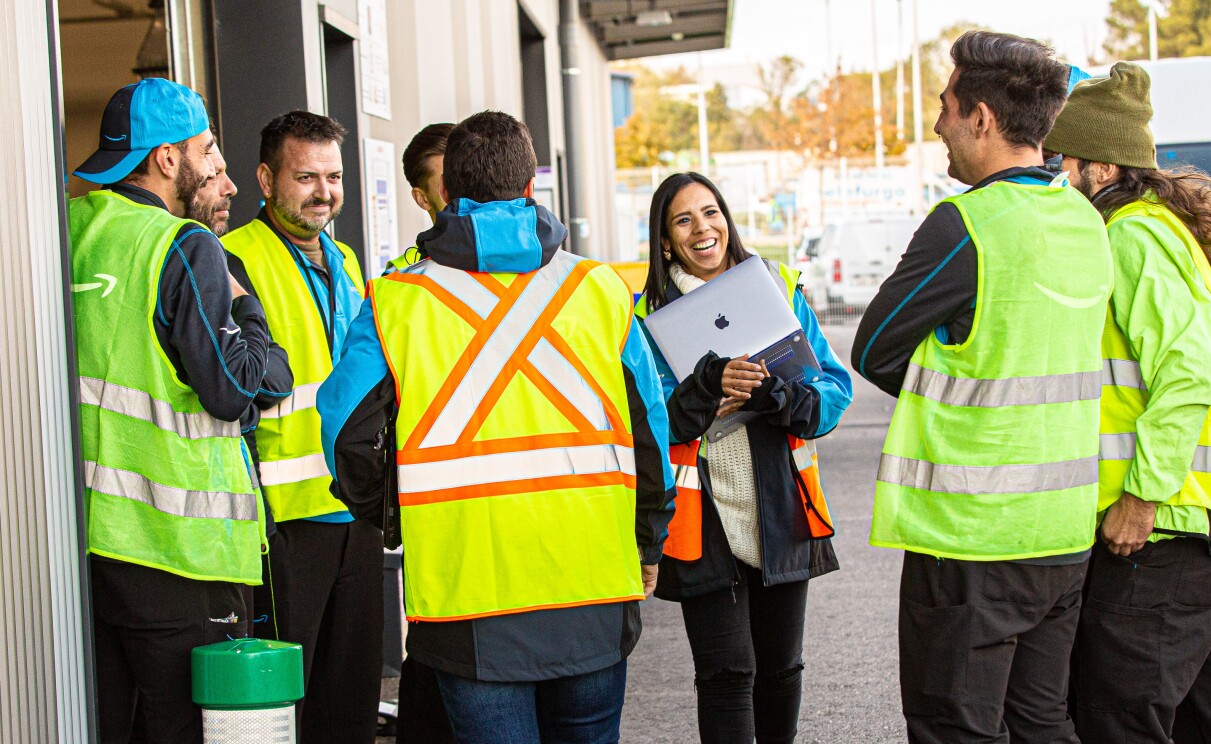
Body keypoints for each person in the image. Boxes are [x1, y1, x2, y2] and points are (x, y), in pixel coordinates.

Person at [318, 110, 675, 744]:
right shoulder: (599, 291)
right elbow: (649, 428)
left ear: (447, 196)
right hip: (592, 584)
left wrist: (395, 514)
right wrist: (648, 540)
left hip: (466, 598)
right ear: (531, 190)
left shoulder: (396, 302)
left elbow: (348, 433)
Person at [852, 31, 1112, 743]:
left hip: (972, 537)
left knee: (955, 728)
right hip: (1060, 531)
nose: (938, 124)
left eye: (945, 106)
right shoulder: (1085, 220)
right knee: (1041, 724)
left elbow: (874, 348)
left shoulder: (966, 225)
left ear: (982, 118)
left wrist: (956, 391)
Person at [1042, 62, 1211, 744]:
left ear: (1096, 166)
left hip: (1171, 538)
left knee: (1117, 719)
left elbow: (1188, 371)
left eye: (1054, 162)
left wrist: (1144, 495)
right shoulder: (1178, 237)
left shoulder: (1127, 237)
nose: (1048, 180)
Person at [69, 77, 277, 743]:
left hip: (85, 546)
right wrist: (247, 309)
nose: (213, 164)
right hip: (179, 554)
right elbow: (233, 388)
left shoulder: (68, 229)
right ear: (166, 159)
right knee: (187, 728)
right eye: (205, 148)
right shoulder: (182, 246)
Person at [635, 171, 853, 743]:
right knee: (728, 674)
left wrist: (778, 395)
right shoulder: (643, 318)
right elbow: (645, 423)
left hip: (781, 507)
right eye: (683, 220)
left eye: (711, 213)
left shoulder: (778, 287)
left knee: (781, 671)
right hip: (702, 518)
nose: (702, 229)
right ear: (664, 240)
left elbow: (833, 393)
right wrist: (704, 390)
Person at [222, 111, 378, 743]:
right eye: (305, 176)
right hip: (284, 522)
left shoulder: (344, 258)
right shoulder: (234, 257)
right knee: (290, 703)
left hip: (357, 511)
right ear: (266, 178)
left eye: (334, 176)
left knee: (352, 697)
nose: (324, 191)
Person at [390, 121, 458, 744]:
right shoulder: (399, 283)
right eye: (446, 177)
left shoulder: (562, 277)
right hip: (440, 530)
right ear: (420, 195)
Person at [386, 122, 455, 273]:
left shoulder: (511, 254)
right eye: (449, 183)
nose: (466, 190)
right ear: (422, 199)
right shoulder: (399, 277)